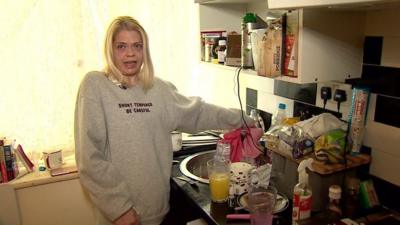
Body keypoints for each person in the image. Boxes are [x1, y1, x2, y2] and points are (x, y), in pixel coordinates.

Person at [74, 16, 254, 225]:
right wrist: (119, 209)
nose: (130, 53)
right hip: (118, 217)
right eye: (121, 46)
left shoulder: (158, 89)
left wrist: (243, 119)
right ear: (110, 50)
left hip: (156, 210)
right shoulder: (95, 85)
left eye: (137, 46)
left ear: (145, 50)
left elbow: (199, 112)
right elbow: (89, 157)